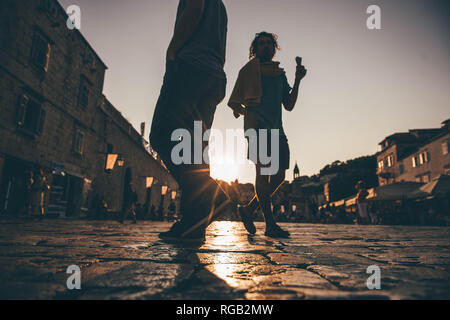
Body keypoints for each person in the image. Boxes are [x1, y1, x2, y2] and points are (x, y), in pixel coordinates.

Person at [149, 0, 231, 241]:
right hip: (214, 75)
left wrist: (172, 50)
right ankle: (193, 225)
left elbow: (195, 8)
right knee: (195, 149)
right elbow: (222, 50)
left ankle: (213, 195)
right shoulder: (222, 8)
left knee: (163, 134)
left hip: (190, 69)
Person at [228, 32, 307, 238]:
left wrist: (298, 80)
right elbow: (235, 102)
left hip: (278, 131)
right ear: (255, 48)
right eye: (261, 43)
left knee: (280, 175)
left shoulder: (279, 74)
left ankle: (248, 209)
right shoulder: (248, 71)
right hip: (258, 130)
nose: (265, 46)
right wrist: (252, 114)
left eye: (269, 43)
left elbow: (288, 104)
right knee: (262, 177)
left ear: (274, 48)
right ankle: (270, 225)